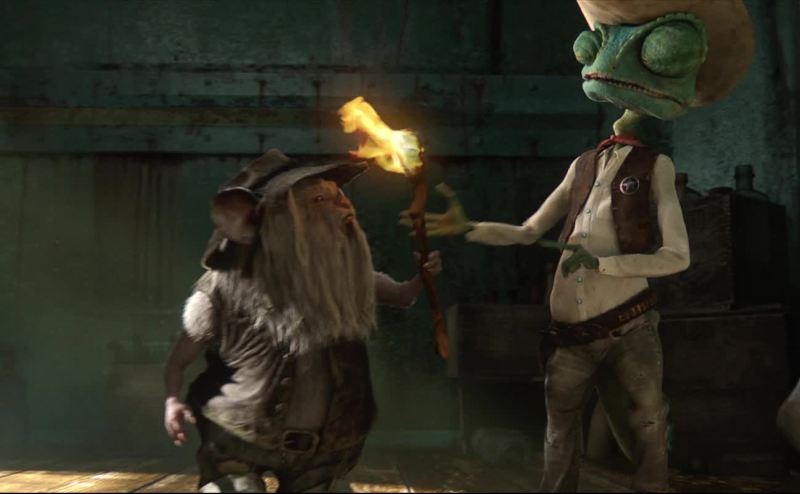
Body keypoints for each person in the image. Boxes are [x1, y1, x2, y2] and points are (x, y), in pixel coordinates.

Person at [402, 1, 753, 490]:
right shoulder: (583, 165)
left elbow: (677, 256)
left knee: (648, 420)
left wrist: (605, 264)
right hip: (569, 334)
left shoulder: (656, 167)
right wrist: (469, 227)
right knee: (559, 432)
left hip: (628, 327)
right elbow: (529, 231)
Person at [163, 149, 441, 493]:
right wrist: (172, 399)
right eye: (321, 200)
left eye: (340, 197)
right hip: (239, 438)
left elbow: (402, 295)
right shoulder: (226, 282)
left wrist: (421, 278)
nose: (343, 207)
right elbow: (179, 358)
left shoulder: (347, 276)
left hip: (323, 450)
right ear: (277, 217)